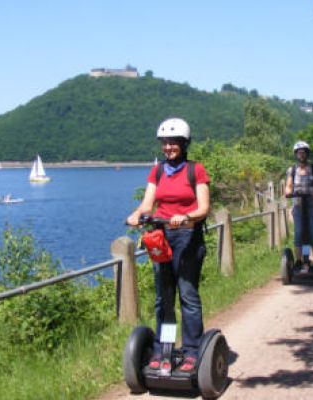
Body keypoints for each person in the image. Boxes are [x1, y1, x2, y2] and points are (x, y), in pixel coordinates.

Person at [126, 117, 210, 372]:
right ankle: (165, 348)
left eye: (173, 142)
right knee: (164, 297)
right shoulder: (158, 171)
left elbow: (204, 208)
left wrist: (186, 216)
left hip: (188, 237)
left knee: (187, 294)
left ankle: (192, 350)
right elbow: (147, 204)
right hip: (162, 238)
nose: (168, 147)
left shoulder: (196, 170)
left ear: (184, 144)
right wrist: (137, 215)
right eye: (164, 142)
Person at [284, 141, 313, 271]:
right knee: (299, 233)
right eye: (299, 153)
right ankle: (299, 261)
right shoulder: (292, 170)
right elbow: (289, 186)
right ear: (296, 154)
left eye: (304, 152)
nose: (302, 155)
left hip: (312, 205)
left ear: (307, 154)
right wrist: (288, 192)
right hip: (298, 206)